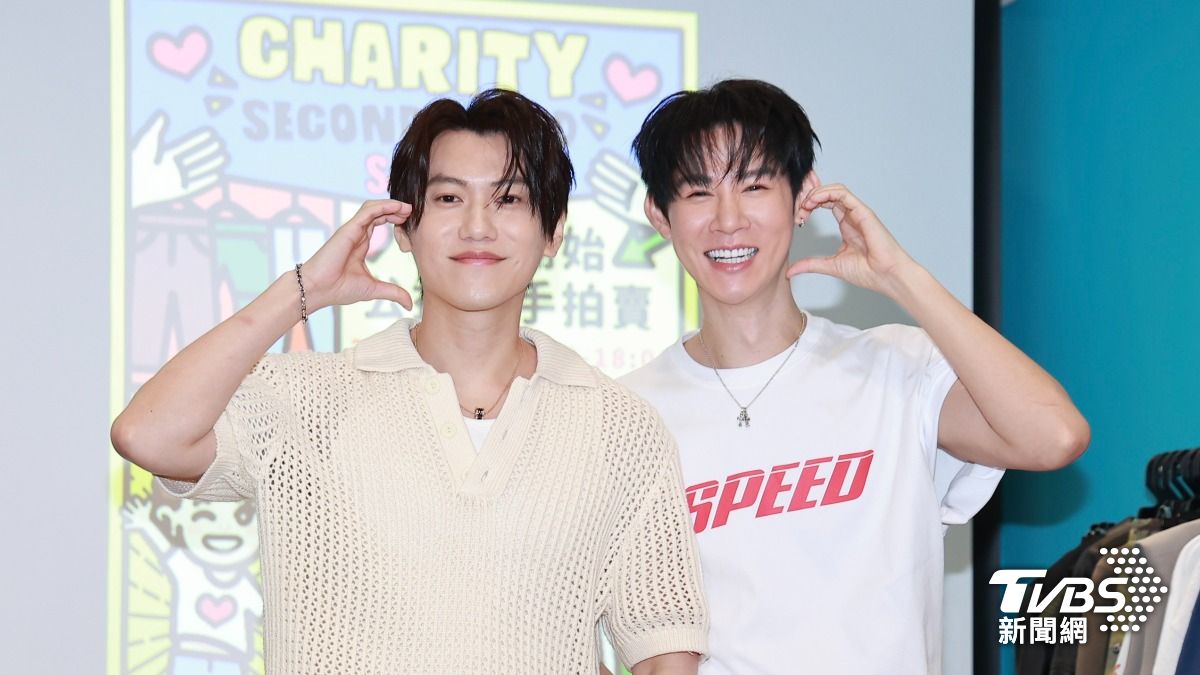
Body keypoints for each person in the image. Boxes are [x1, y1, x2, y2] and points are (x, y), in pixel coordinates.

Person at [111, 88, 707, 674]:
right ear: (403, 227)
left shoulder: (619, 427)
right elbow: (147, 434)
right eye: (448, 198)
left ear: (553, 232)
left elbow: (665, 652)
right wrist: (303, 291)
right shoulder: (307, 399)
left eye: (508, 199)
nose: (477, 226)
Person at [618, 79, 1090, 674]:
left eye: (755, 186)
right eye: (697, 192)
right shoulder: (626, 412)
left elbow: (1055, 436)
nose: (728, 220)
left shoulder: (897, 367)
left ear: (802, 197)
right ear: (660, 215)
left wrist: (900, 276)